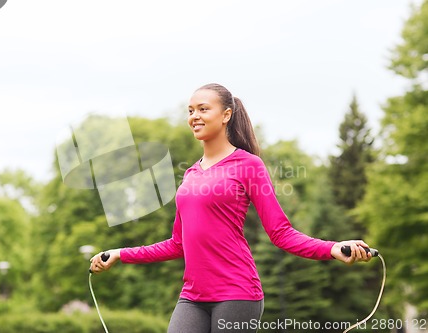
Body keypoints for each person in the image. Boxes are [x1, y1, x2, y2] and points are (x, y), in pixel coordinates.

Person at [89, 83, 372, 333]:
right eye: (190, 110)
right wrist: (120, 254)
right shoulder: (190, 174)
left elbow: (281, 233)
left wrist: (332, 248)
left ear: (226, 115)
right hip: (192, 296)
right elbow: (178, 244)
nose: (194, 117)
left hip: (237, 294)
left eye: (203, 109)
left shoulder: (249, 165)